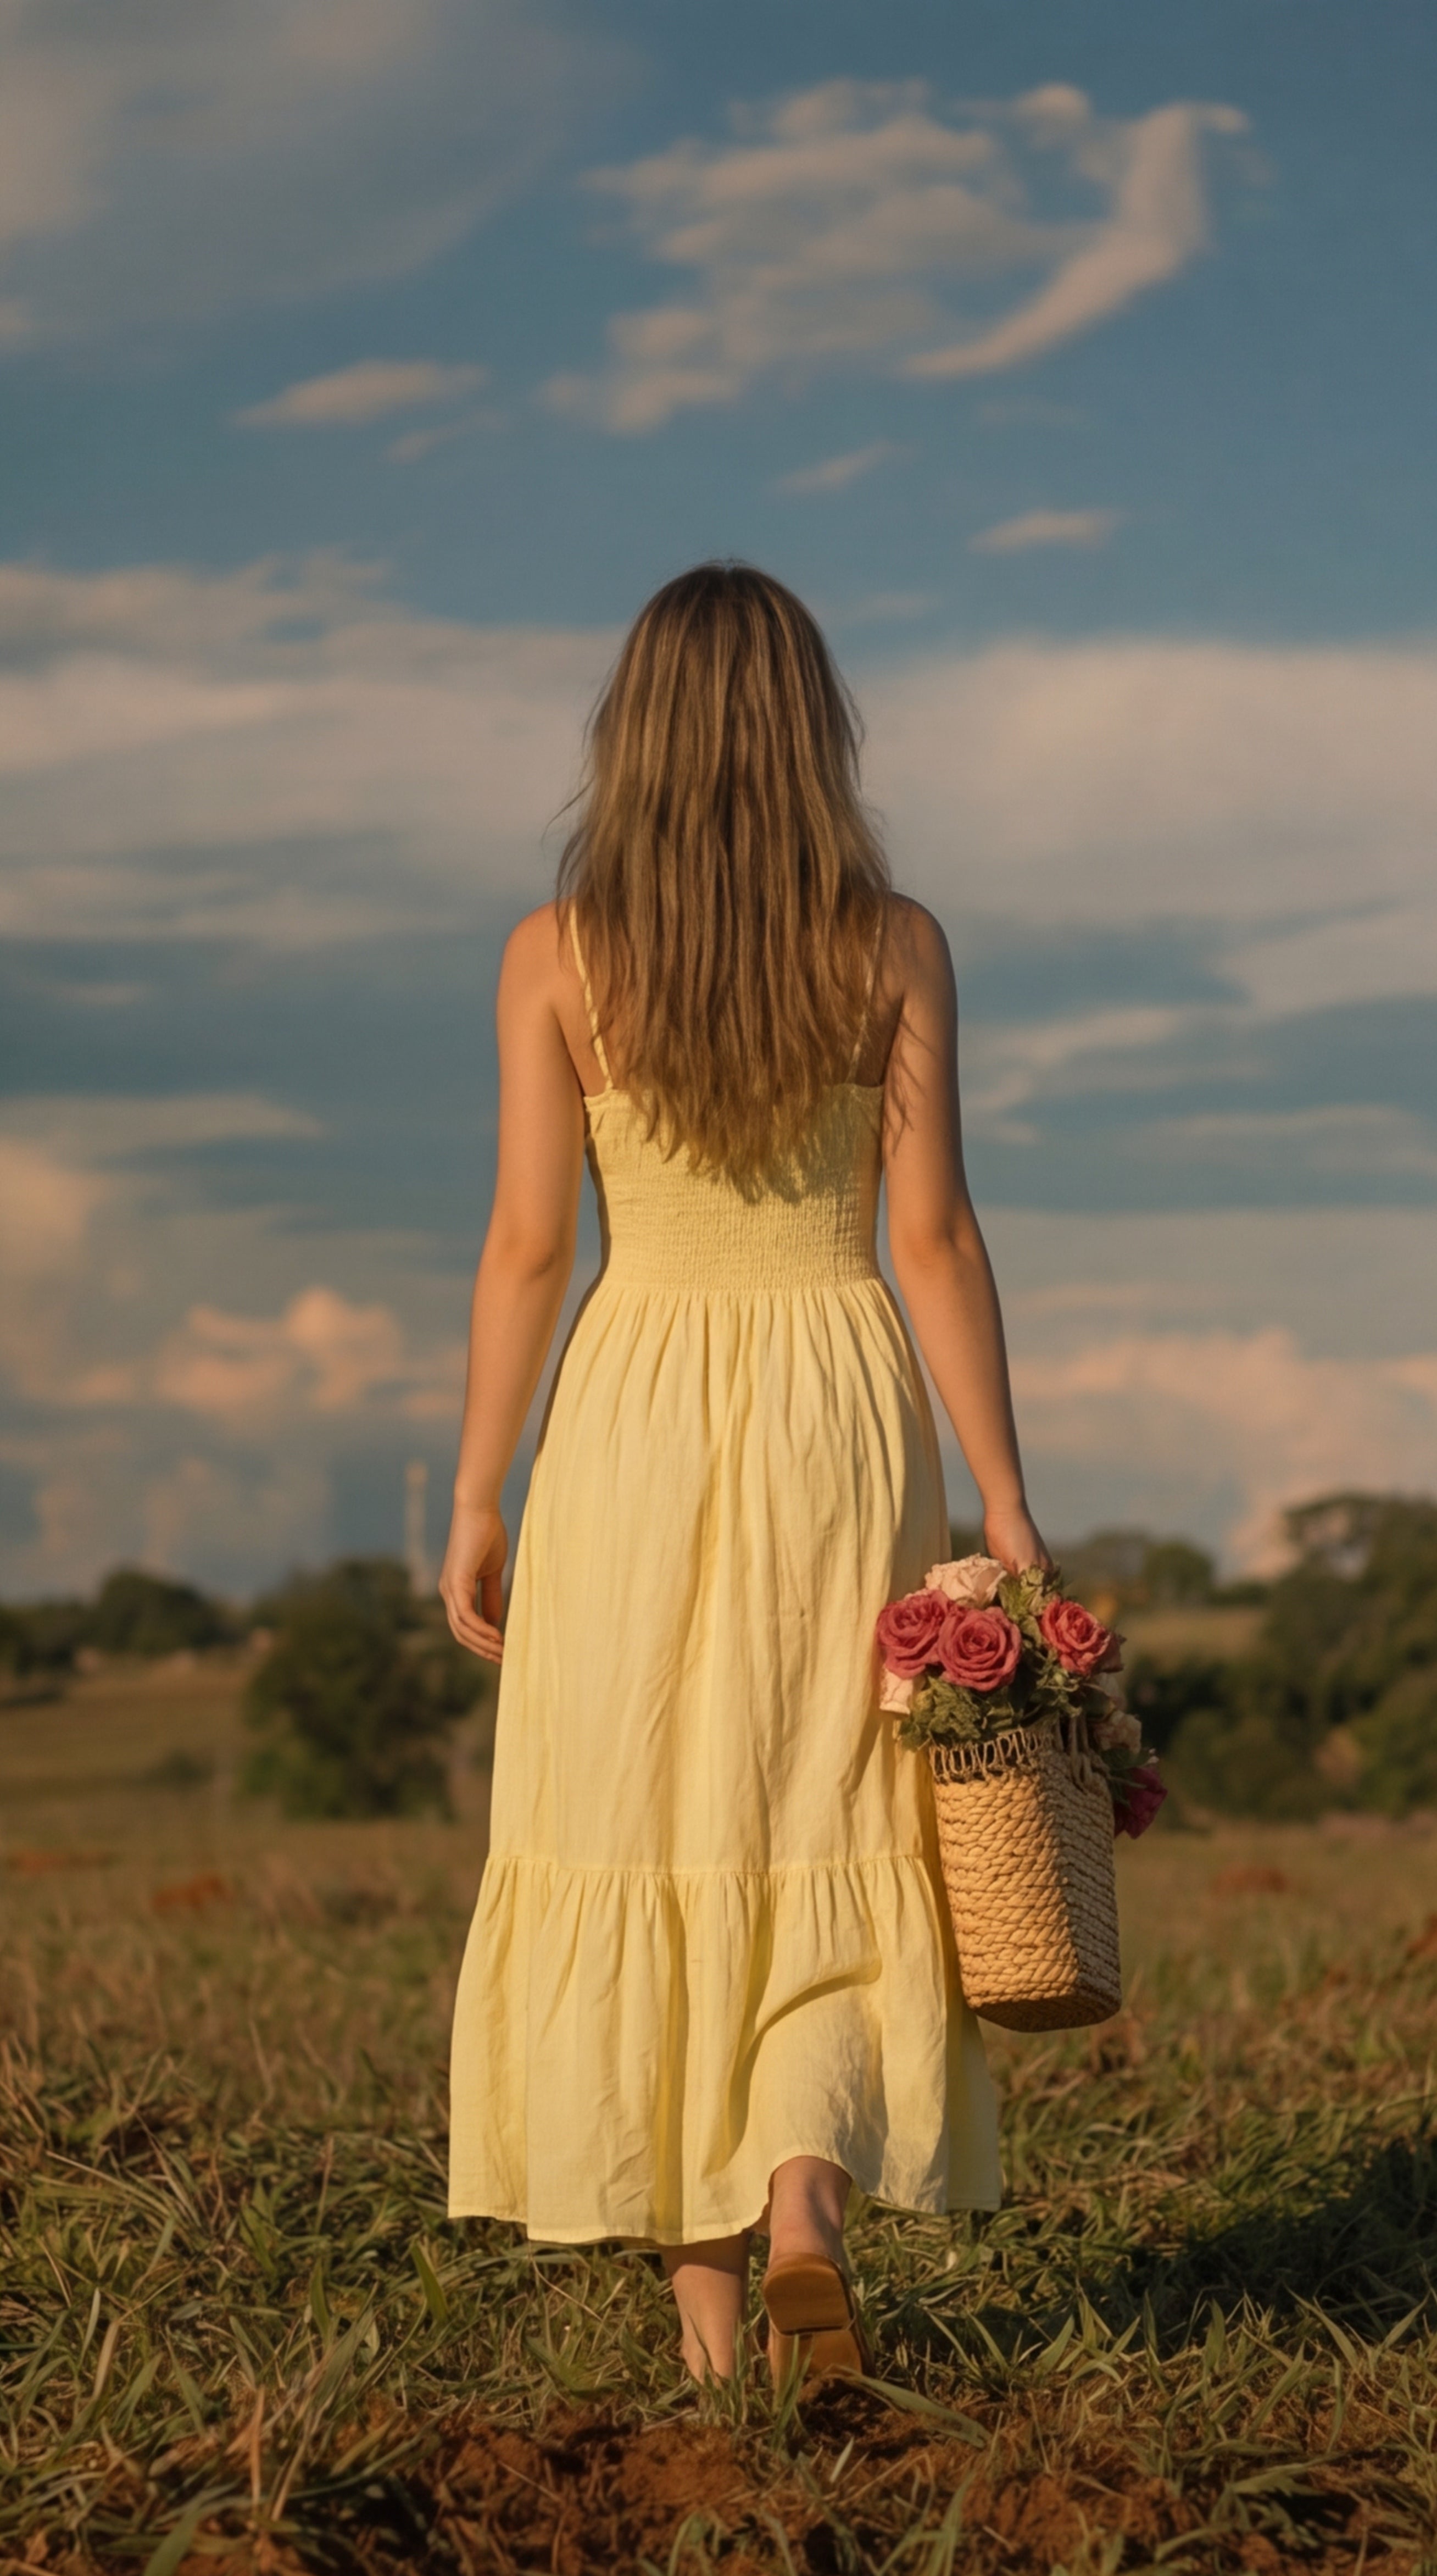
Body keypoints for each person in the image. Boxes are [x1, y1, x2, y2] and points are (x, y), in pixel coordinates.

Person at [441, 562, 1050, 2384]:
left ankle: (715, 2345)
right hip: (841, 1399)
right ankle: (806, 2206)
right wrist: (1007, 1499)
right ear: (814, 727)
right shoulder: (895, 944)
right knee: (830, 1810)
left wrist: (481, 1490)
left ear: (627, 733)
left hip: (633, 1407)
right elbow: (933, 1237)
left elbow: (530, 1250)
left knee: (647, 1810)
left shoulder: (556, 955)